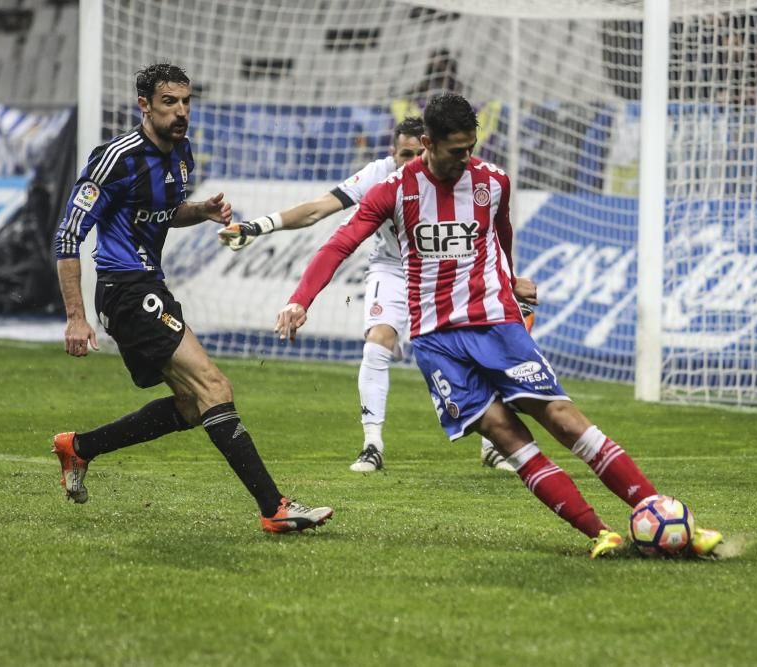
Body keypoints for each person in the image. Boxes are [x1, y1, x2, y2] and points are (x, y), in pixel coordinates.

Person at [274, 93, 723, 557]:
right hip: (436, 342)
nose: (465, 157)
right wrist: (299, 300)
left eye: (471, 147)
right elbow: (338, 244)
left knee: (564, 419)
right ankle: (599, 533)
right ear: (427, 143)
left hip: (496, 325)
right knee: (508, 437)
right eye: (455, 150)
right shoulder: (393, 190)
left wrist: (509, 280)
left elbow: (500, 237)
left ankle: (661, 512)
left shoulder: (493, 182)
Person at [52, 63, 332, 533]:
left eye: (185, 101)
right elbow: (67, 235)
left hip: (149, 286)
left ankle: (79, 448)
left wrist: (198, 211)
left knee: (190, 404)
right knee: (215, 388)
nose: (181, 112)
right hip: (125, 289)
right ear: (144, 105)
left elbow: (161, 211)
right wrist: (75, 317)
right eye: (169, 102)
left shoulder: (182, 153)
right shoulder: (115, 157)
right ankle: (274, 508)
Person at [218, 117, 515, 473]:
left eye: (418, 153)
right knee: (378, 340)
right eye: (405, 154)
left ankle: (493, 444)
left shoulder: (466, 177)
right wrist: (259, 227)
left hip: (447, 272)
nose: (411, 161)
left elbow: (498, 236)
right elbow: (319, 211)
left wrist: (510, 281)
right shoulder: (382, 179)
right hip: (393, 268)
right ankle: (372, 444)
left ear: (431, 147)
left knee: (476, 347)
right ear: (393, 153)